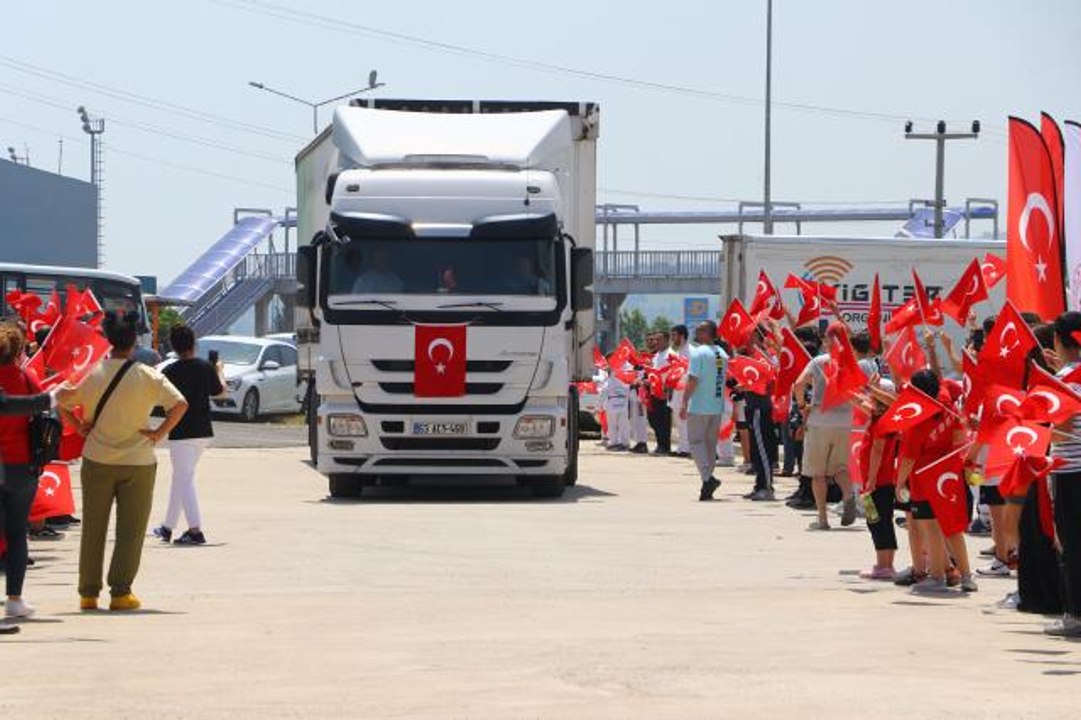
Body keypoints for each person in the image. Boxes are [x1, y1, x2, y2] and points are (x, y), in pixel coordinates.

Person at [57, 311, 188, 612]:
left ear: (107, 339)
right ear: (135, 342)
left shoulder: (91, 372)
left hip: (97, 459)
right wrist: (158, 433)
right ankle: (120, 592)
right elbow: (180, 404)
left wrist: (78, 426)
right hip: (138, 460)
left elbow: (61, 399)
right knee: (130, 530)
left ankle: (88, 593)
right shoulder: (147, 375)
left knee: (93, 528)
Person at [151, 325, 225, 546]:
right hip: (203, 431)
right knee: (181, 479)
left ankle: (195, 530)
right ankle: (167, 527)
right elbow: (220, 392)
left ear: (173, 346)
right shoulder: (205, 367)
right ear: (194, 343)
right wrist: (220, 369)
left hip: (181, 431)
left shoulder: (170, 371)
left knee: (184, 480)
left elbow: (158, 400)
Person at [793, 323, 866, 530]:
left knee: (818, 473)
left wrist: (801, 406)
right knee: (840, 467)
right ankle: (847, 494)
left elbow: (798, 384)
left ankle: (823, 519)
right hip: (845, 422)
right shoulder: (854, 364)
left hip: (819, 420)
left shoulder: (818, 362)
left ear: (828, 340)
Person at [0, 321, 47, 625]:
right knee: (17, 534)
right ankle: (14, 600)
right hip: (21, 467)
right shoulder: (27, 377)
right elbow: (43, 411)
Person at [1046, 311, 1081, 637]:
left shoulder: (1066, 378)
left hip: (1071, 472)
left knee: (1072, 544)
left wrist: (1036, 428)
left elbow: (1063, 430)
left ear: (1058, 339)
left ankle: (1076, 615)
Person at [680, 321, 728, 502]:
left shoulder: (699, 352)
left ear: (708, 333)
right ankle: (707, 483)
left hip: (699, 404)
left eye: (700, 330)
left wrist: (684, 402)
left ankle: (708, 479)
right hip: (716, 405)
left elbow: (693, 379)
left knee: (696, 442)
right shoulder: (722, 354)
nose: (697, 333)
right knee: (709, 445)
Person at [647, 332, 674, 456]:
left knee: (664, 420)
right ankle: (660, 444)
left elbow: (673, 372)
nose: (656, 342)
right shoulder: (656, 356)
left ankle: (665, 446)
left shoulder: (671, 354)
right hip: (653, 391)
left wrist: (667, 388)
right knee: (654, 419)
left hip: (664, 391)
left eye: (659, 340)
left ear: (667, 340)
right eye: (655, 340)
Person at [667, 325, 692, 457]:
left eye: (674, 336)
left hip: (686, 390)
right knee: (678, 420)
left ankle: (687, 449)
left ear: (682, 336)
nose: (672, 339)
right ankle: (682, 447)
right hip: (677, 390)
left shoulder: (691, 351)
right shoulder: (677, 353)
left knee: (685, 420)